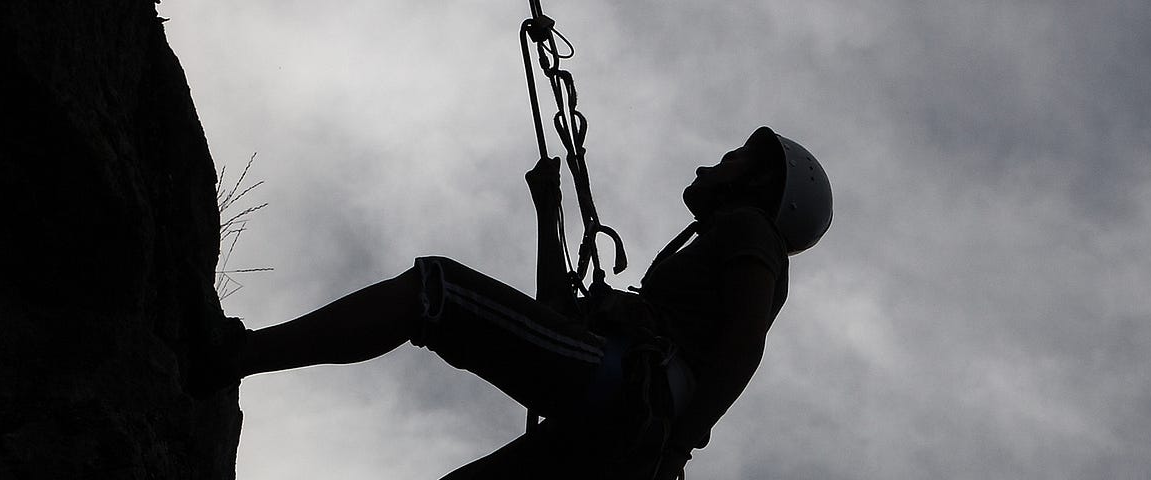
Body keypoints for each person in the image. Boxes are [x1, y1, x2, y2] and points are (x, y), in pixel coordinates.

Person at [197, 126, 832, 479]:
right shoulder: (681, 289)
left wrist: (678, 443)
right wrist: (547, 211)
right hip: (613, 420)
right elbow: (556, 317)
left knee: (435, 291)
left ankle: (236, 354)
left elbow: (746, 342)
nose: (711, 164)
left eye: (733, 160)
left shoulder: (750, 229)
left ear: (758, 184)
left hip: (627, 402)